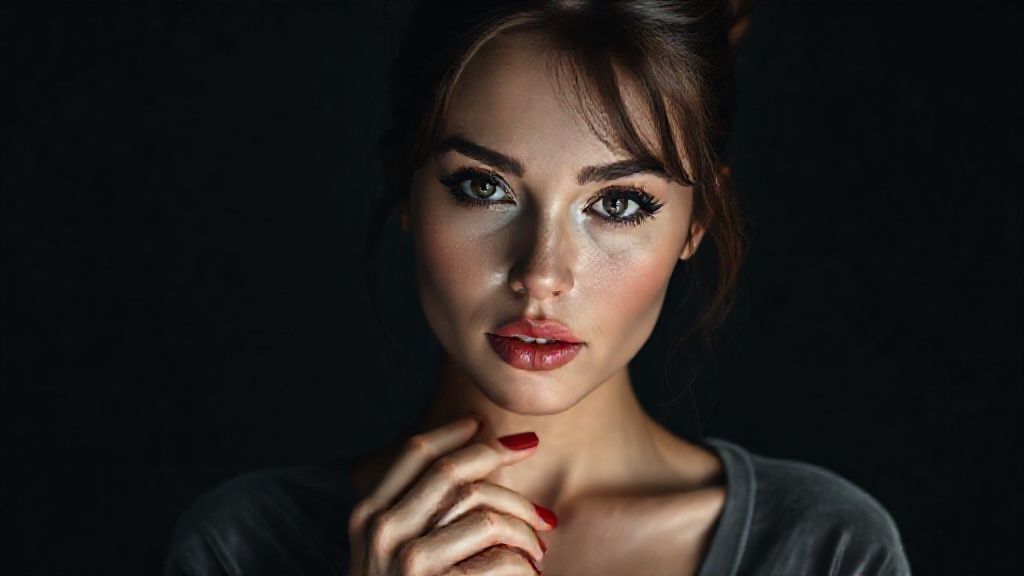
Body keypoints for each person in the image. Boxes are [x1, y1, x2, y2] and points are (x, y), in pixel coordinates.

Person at [163, 1, 911, 574]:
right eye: (484, 187)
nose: (542, 274)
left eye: (618, 203)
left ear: (697, 222)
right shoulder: (246, 548)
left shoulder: (824, 549)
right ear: (406, 189)